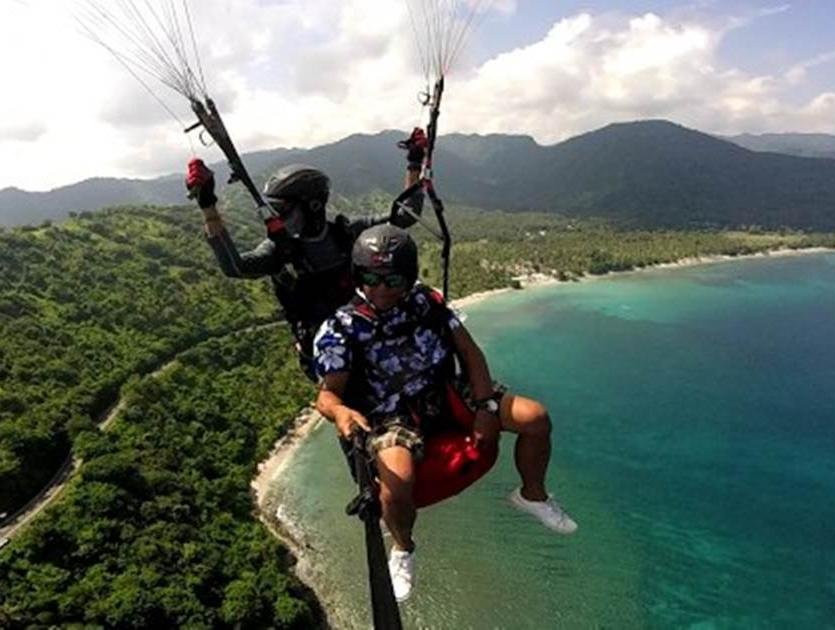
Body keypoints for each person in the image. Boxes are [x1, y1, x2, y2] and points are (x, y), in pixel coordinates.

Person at [314, 224, 577, 602]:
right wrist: (341, 414)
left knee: (536, 419)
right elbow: (327, 396)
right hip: (392, 414)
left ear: (410, 278)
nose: (382, 289)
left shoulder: (427, 303)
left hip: (447, 392)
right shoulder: (342, 327)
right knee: (397, 478)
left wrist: (487, 405)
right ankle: (403, 548)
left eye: (393, 279)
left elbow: (470, 354)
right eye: (371, 278)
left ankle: (532, 494)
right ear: (357, 277)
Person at [185, 132, 428, 380]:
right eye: (273, 211)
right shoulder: (278, 250)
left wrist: (414, 162)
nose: (276, 219)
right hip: (328, 359)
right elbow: (235, 266)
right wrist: (207, 205)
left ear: (313, 206)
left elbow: (405, 217)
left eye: (283, 211)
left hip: (368, 341)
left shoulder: (347, 233)